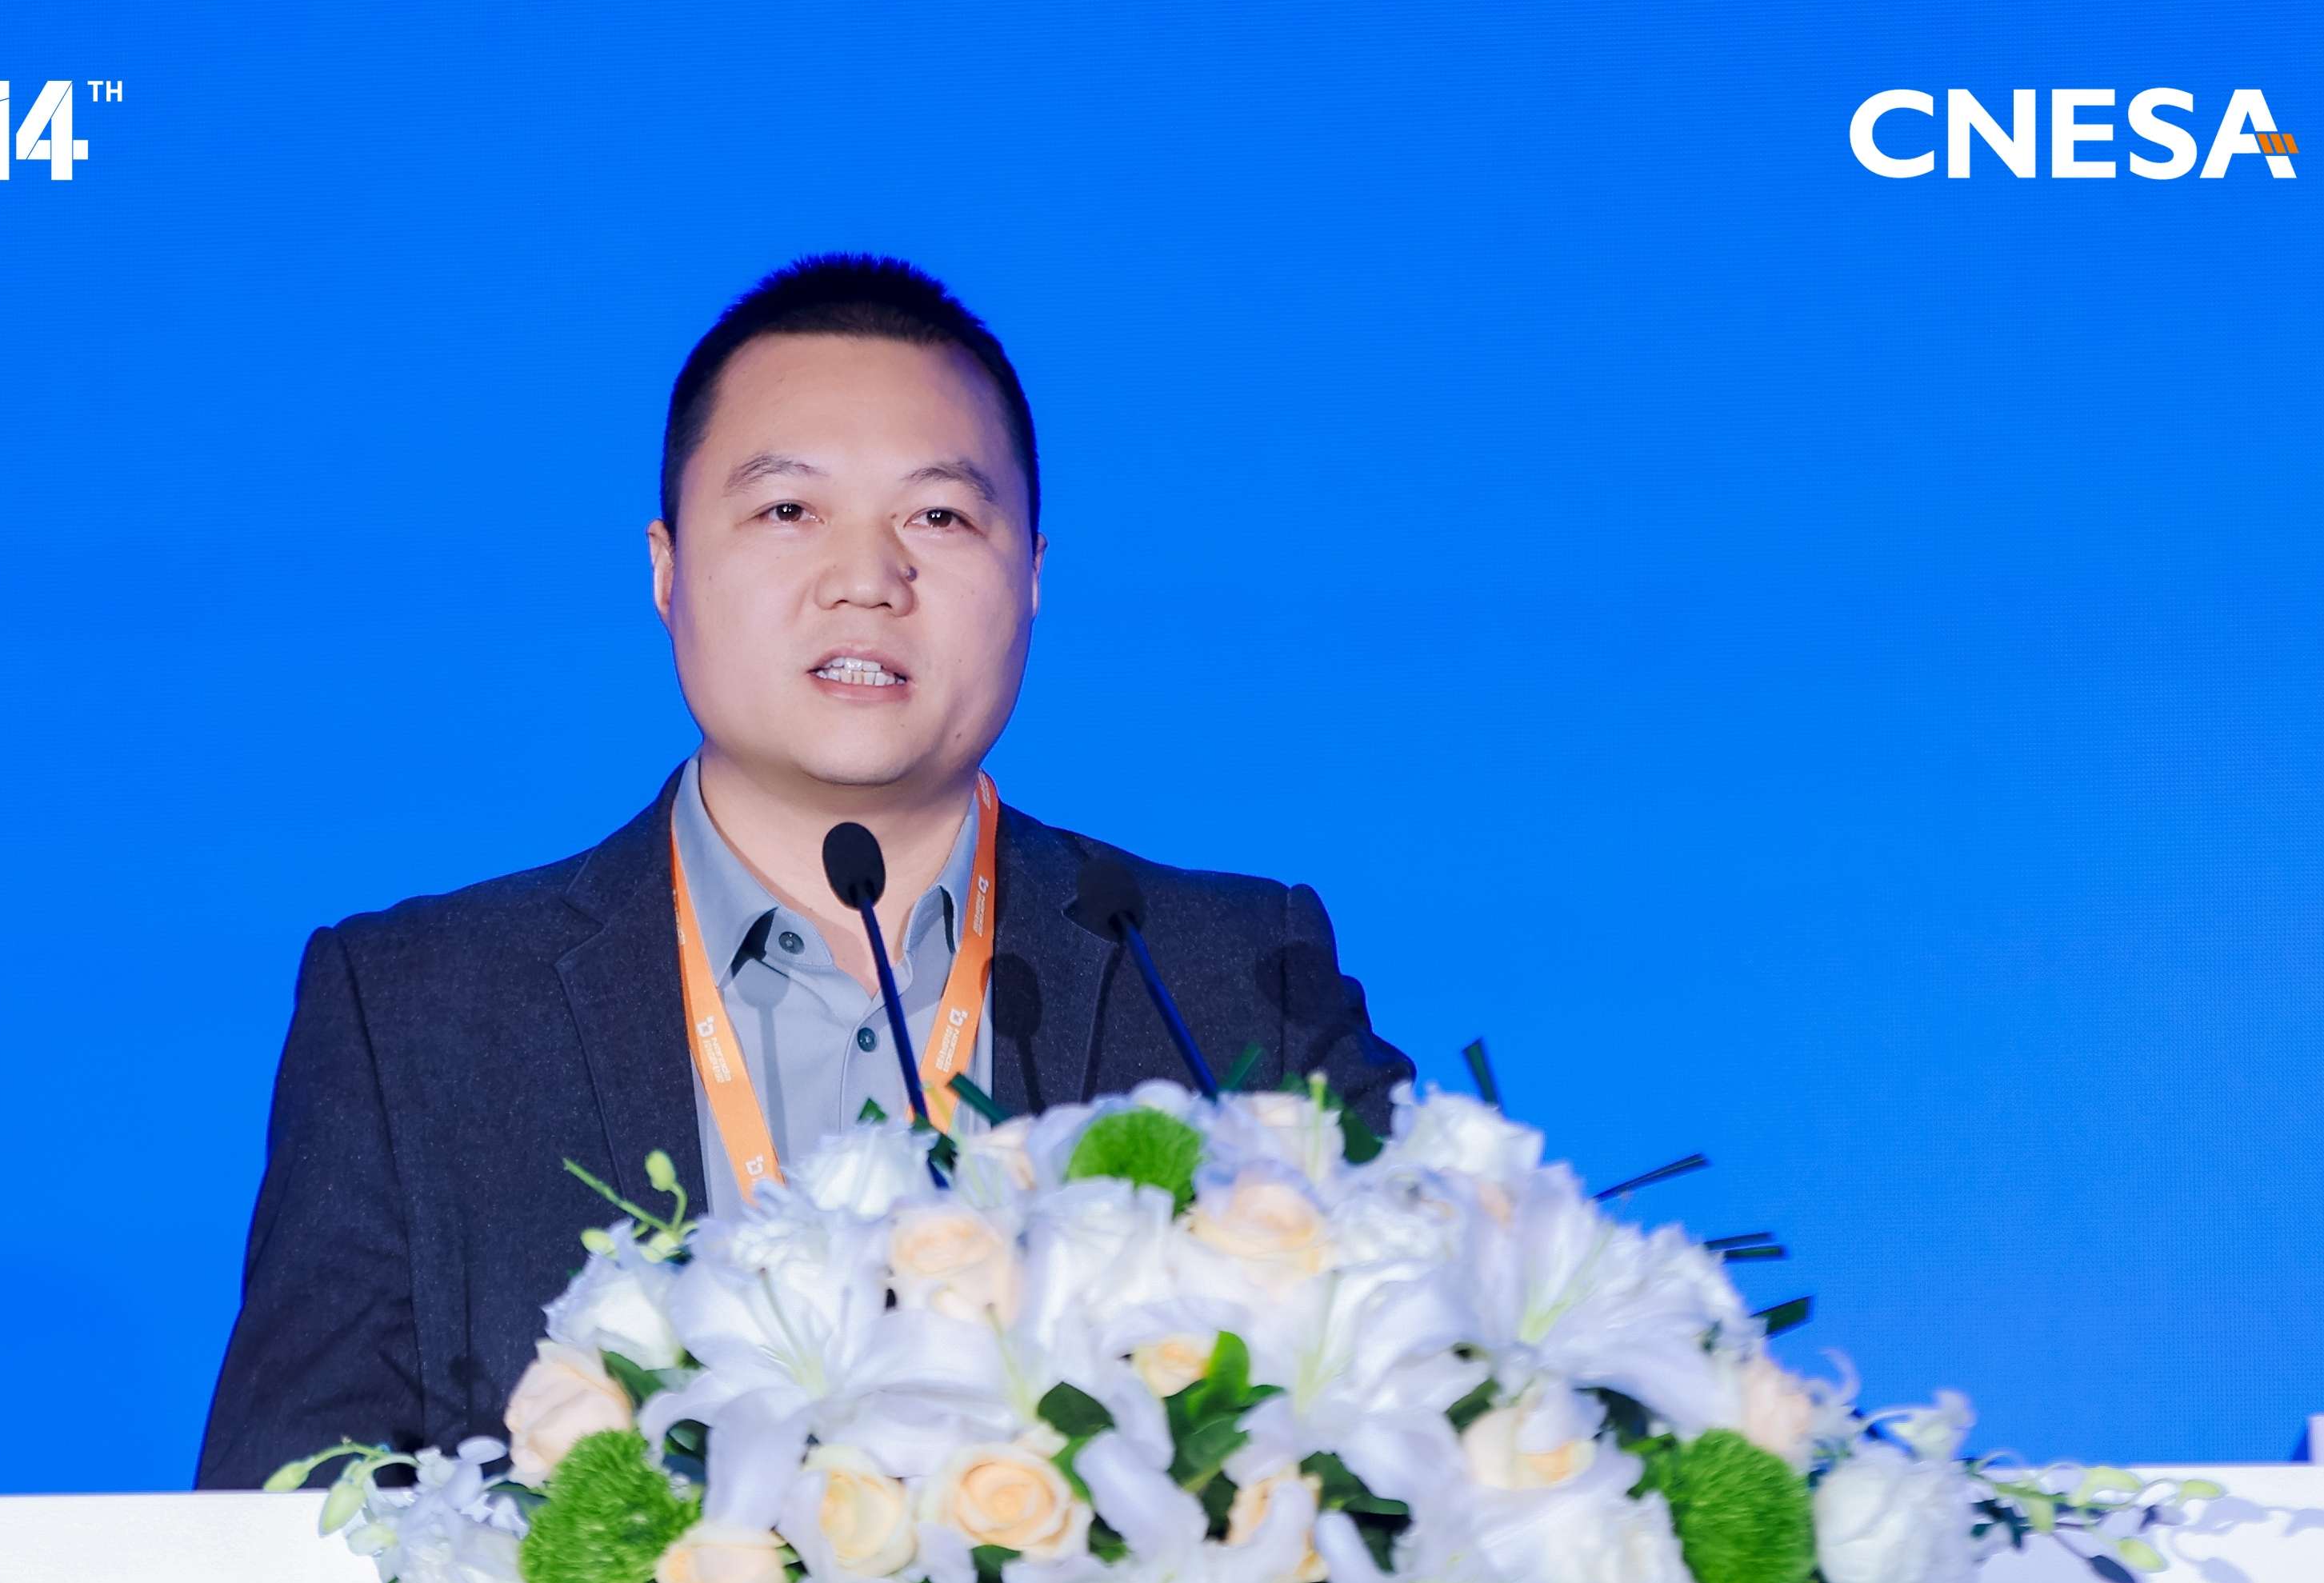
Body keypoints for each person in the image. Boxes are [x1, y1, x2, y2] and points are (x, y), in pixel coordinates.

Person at [194, 254, 1412, 1488]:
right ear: (667, 567)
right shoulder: (415, 1016)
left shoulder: (1228, 978)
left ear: (1035, 575)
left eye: (940, 517)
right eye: (788, 511)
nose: (867, 580)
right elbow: (273, 1525)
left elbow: (1440, 1422)